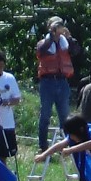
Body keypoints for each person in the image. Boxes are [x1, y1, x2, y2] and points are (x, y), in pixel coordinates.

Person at [36, 16, 79, 151]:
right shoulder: (44, 42)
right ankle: (43, 146)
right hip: (47, 82)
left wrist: (69, 37)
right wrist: (52, 36)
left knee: (65, 116)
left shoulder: (65, 43)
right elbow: (42, 50)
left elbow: (76, 51)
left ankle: (67, 145)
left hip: (62, 81)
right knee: (45, 114)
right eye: (56, 26)